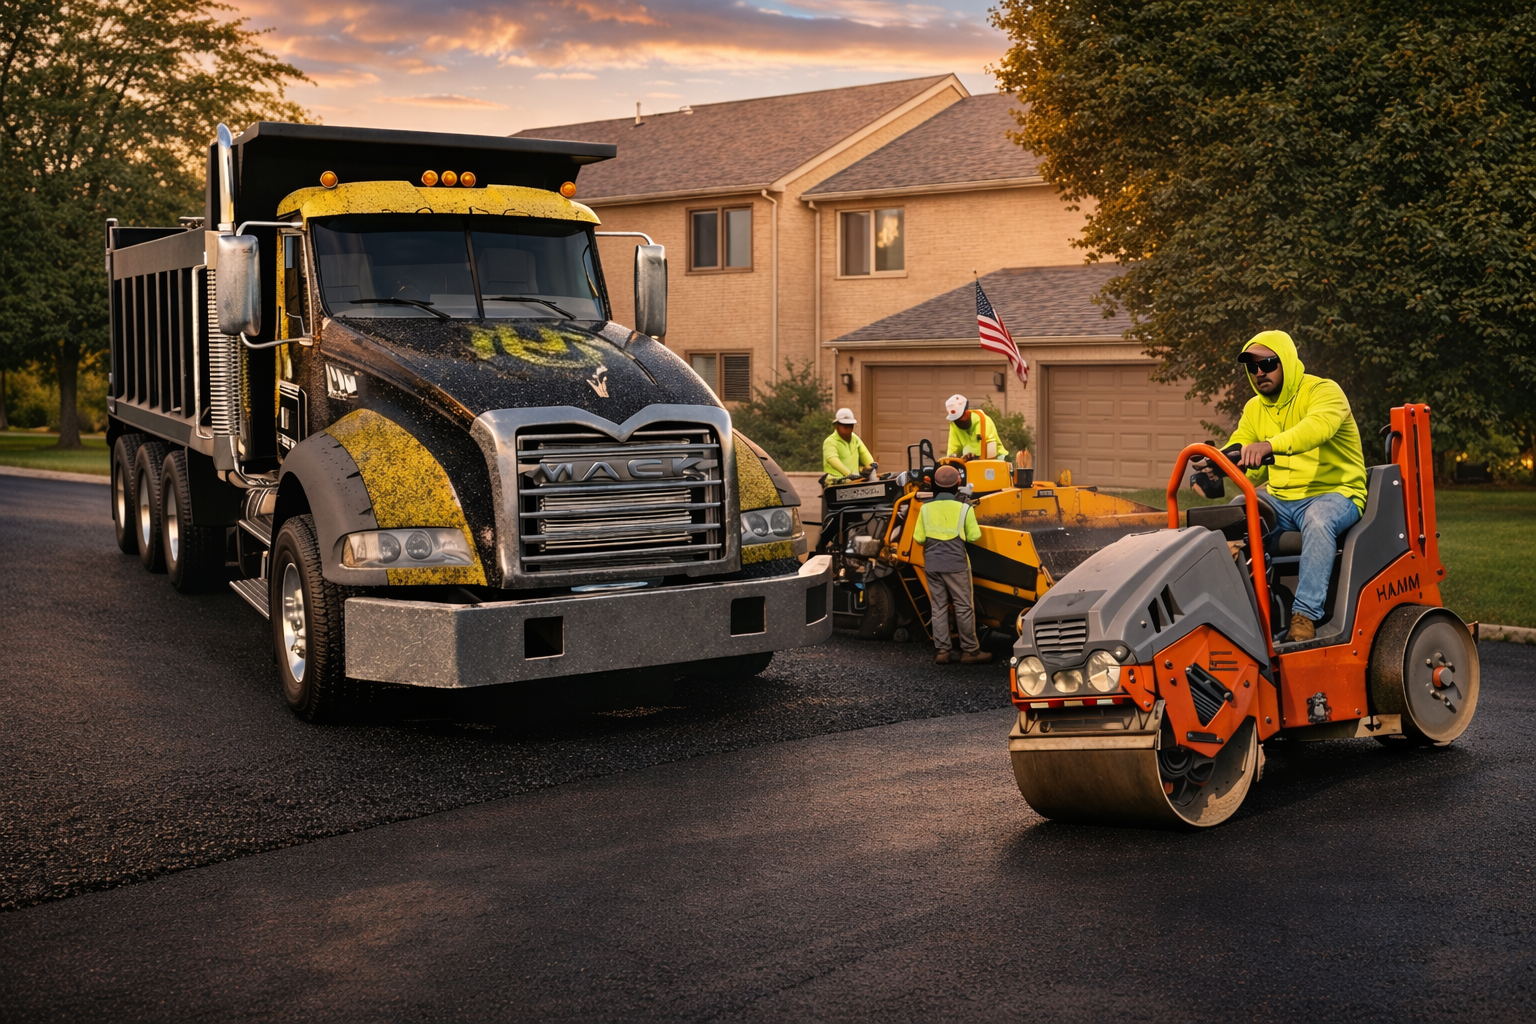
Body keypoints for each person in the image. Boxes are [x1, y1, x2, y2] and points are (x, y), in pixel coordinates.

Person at [1219, 330, 1368, 643]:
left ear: (1285, 361)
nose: (1260, 372)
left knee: (1319, 519)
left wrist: (1269, 445)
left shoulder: (1324, 392)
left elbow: (1315, 429)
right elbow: (1240, 443)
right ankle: (1244, 611)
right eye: (1252, 366)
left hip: (1336, 493)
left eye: (1268, 363)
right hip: (1282, 499)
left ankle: (1304, 616)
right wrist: (1218, 462)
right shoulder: (1255, 408)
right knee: (1233, 513)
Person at [913, 464, 993, 665]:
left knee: (938, 606)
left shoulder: (925, 508)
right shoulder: (964, 508)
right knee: (963, 607)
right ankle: (970, 651)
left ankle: (942, 652)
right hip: (956, 564)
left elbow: (919, 538)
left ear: (934, 484)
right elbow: (975, 536)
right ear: (959, 484)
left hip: (932, 565)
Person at [944, 395, 1008, 461]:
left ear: (966, 412)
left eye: (959, 418)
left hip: (997, 460)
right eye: (955, 419)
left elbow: (990, 449)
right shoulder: (954, 425)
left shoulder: (984, 421)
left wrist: (973, 458)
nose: (957, 422)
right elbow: (953, 449)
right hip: (972, 463)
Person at [822, 407, 874, 481]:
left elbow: (863, 453)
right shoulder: (830, 441)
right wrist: (848, 474)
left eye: (849, 425)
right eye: (843, 425)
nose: (847, 428)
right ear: (836, 425)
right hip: (835, 482)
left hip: (855, 481)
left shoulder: (855, 439)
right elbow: (832, 459)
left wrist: (871, 465)